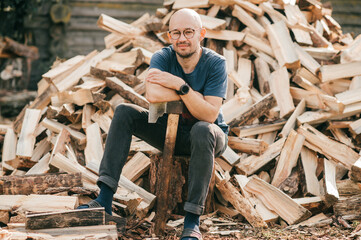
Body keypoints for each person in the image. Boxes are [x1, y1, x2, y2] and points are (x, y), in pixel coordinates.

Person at [78, 8, 229, 240]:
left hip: (209, 139)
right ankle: (104, 200)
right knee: (124, 112)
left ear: (202, 34)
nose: (182, 38)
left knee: (202, 129)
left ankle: (192, 223)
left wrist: (179, 85)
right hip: (171, 133)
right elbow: (153, 93)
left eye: (189, 32)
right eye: (176, 33)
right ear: (170, 36)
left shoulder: (216, 63)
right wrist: (192, 96)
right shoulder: (163, 57)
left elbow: (209, 114)